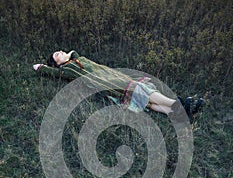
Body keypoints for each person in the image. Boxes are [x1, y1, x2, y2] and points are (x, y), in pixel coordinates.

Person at [33, 50, 205, 122]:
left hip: (113, 79)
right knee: (144, 91)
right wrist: (42, 67)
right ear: (56, 63)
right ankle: (181, 103)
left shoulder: (77, 59)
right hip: (110, 84)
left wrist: (69, 54)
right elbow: (52, 73)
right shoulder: (68, 70)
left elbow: (74, 53)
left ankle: (181, 114)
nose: (62, 52)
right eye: (57, 54)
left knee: (147, 102)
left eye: (61, 51)